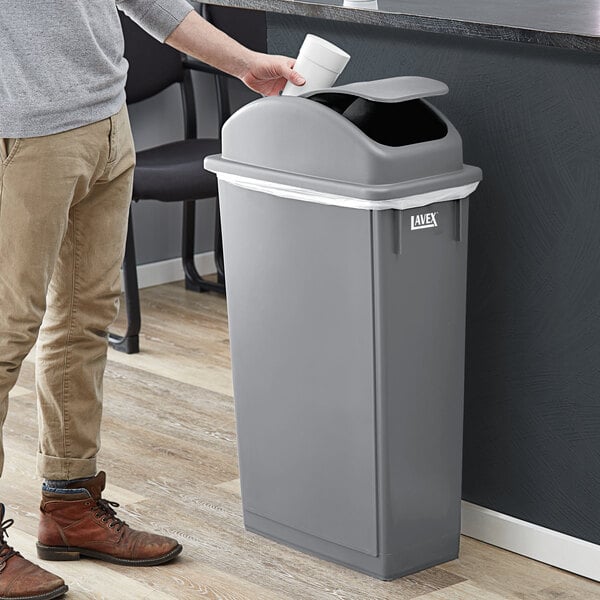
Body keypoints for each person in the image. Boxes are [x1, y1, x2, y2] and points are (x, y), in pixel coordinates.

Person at [0, 2, 304, 598]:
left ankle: (69, 507)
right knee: (8, 333)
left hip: (107, 120)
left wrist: (243, 63)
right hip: (24, 132)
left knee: (85, 321)